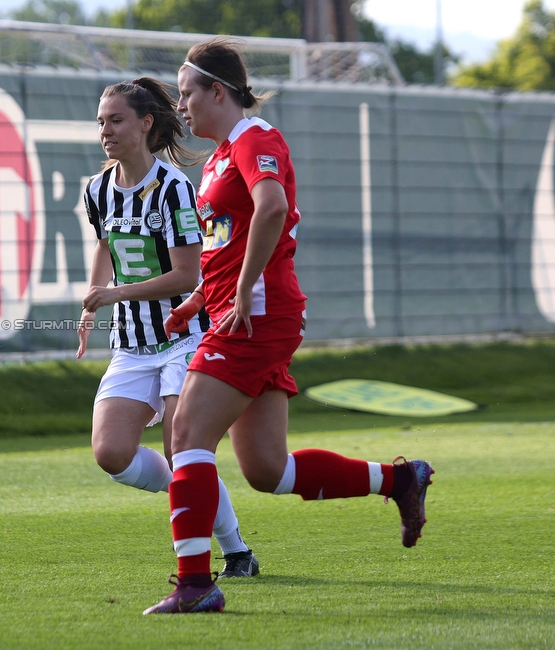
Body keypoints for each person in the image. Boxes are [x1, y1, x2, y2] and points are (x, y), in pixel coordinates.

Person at [142, 38, 435, 615]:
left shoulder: (256, 139)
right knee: (267, 470)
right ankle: (400, 481)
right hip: (247, 310)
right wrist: (199, 297)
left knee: (185, 438)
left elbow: (272, 207)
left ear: (218, 92)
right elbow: (231, 246)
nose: (182, 108)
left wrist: (243, 292)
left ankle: (195, 584)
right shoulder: (221, 157)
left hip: (256, 315)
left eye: (187, 95)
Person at [76, 77, 258, 579]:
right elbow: (106, 246)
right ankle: (187, 488)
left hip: (183, 337)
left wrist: (113, 294)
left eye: (116, 121)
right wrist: (93, 305)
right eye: (101, 122)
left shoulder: (175, 187)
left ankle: (236, 549)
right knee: (111, 453)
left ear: (145, 124)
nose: (105, 132)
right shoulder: (97, 190)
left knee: (185, 450)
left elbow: (186, 274)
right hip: (132, 345)